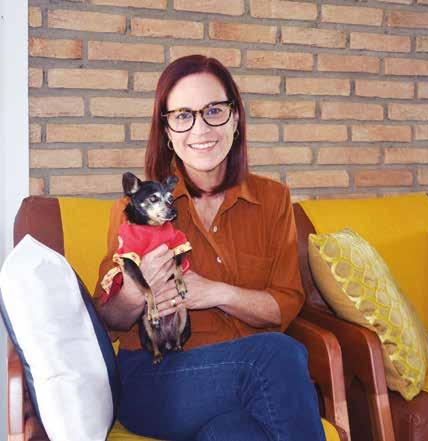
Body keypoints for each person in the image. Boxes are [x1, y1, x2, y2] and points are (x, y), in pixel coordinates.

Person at [94, 55, 326, 441]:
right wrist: (139, 286)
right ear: (167, 131)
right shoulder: (133, 210)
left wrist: (215, 292)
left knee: (234, 433)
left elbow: (284, 305)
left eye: (214, 111)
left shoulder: (273, 199)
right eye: (183, 116)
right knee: (278, 354)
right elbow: (110, 319)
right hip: (156, 378)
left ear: (235, 119)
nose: (200, 129)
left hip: (242, 377)